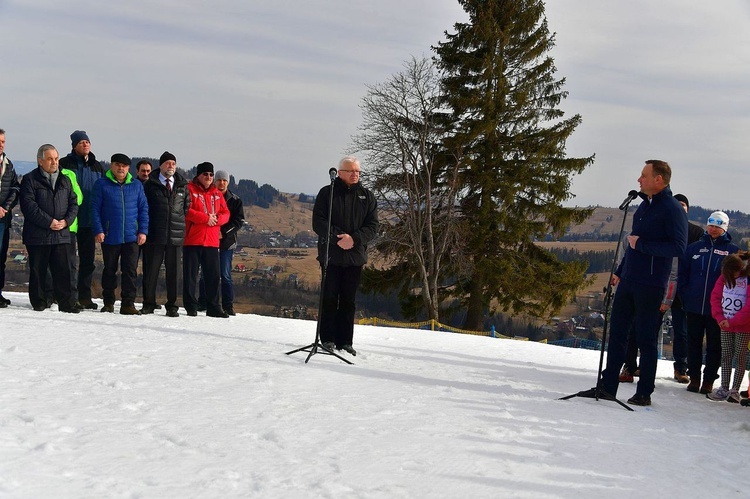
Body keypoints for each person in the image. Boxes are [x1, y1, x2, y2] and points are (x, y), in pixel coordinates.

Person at [589, 160, 687, 406]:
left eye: (644, 175)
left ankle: (644, 392)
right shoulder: (643, 207)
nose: (638, 180)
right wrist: (621, 271)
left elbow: (678, 247)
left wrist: (641, 245)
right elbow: (632, 245)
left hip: (651, 284)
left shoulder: (672, 209)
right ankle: (608, 384)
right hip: (629, 280)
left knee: (645, 339)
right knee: (618, 334)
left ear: (659, 180)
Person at [618, 193, 703, 384]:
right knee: (643, 329)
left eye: (683, 205)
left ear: (687, 209)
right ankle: (631, 366)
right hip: (657, 285)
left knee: (681, 332)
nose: (680, 208)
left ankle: (681, 368)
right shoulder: (664, 230)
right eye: (677, 205)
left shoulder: (696, 233)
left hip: (681, 289)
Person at [312, 156, 379, 355]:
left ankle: (345, 341)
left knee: (348, 300)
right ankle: (328, 339)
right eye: (351, 171)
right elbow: (319, 222)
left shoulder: (367, 197)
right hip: (331, 255)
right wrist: (337, 238)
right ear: (340, 173)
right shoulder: (327, 193)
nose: (355, 174)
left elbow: (373, 226)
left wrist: (354, 239)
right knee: (329, 298)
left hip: (355, 256)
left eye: (357, 171)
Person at [679, 211, 739, 394]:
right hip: (694, 305)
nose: (713, 229)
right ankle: (694, 377)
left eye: (718, 226)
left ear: (724, 228)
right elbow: (683, 273)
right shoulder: (695, 248)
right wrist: (685, 295)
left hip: (718, 309)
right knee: (693, 342)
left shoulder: (732, 251)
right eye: (711, 225)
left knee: (715, 345)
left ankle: (709, 380)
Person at [19, 144, 79, 313]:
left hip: (62, 233)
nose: (54, 162)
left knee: (64, 271)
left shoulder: (65, 179)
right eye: (50, 159)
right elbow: (29, 206)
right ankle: (39, 302)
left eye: (56, 158)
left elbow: (74, 203)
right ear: (40, 161)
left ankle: (67, 304)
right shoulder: (30, 179)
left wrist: (66, 221)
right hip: (38, 235)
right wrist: (49, 222)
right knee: (39, 270)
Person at [91, 153, 149, 315]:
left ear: (128, 168)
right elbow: (94, 209)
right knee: (109, 269)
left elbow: (143, 209)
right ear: (112, 166)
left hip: (132, 236)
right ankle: (108, 302)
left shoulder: (136, 185)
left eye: (124, 166)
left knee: (130, 271)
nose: (121, 168)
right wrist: (99, 230)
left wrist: (143, 231)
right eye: (117, 165)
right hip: (110, 234)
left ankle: (128, 304)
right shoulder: (102, 184)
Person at [59, 130, 104, 309]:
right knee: (68, 261)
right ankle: (68, 296)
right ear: (74, 146)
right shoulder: (64, 164)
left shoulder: (97, 166)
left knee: (87, 261)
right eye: (81, 142)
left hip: (88, 220)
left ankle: (85, 296)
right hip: (69, 220)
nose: (85, 144)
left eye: (87, 142)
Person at [141, 151, 189, 317]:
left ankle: (172, 305)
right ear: (160, 165)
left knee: (174, 273)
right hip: (155, 235)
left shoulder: (182, 186)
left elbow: (186, 209)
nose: (171, 166)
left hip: (175, 237)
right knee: (151, 271)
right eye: (168, 163)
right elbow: (144, 209)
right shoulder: (150, 185)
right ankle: (148, 303)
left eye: (173, 163)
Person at [183, 162, 229, 318]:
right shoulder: (189, 189)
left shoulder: (217, 193)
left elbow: (226, 213)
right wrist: (205, 218)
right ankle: (190, 305)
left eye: (211, 175)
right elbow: (186, 210)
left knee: (213, 276)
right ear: (198, 175)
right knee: (190, 275)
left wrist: (216, 219)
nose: (208, 177)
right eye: (205, 174)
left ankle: (214, 307)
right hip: (193, 239)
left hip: (211, 240)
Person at [198, 170, 244, 315]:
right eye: (219, 180)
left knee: (225, 275)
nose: (221, 183)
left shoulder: (235, 200)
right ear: (214, 181)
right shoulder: (208, 197)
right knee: (206, 273)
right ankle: (203, 302)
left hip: (227, 243)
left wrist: (223, 232)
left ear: (228, 182)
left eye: (224, 180)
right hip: (208, 242)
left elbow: (239, 221)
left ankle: (228, 306)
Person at [706, 252, 750, 403]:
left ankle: (734, 389)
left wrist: (734, 321)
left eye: (735, 273)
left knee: (740, 356)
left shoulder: (747, 279)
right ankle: (724, 387)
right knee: (725, 355)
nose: (733, 276)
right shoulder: (723, 278)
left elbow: (749, 306)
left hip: (743, 326)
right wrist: (720, 317)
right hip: (724, 323)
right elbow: (715, 297)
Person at [0, 129, 20, 308]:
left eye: (3, 141)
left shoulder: (8, 164)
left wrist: (5, 207)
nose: (1, 144)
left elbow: (15, 188)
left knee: (1, 258)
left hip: (2, 219)